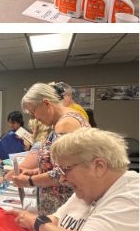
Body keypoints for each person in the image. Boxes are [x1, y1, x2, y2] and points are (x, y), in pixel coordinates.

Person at [13, 127, 138, 231]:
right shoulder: (89, 190)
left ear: (99, 166)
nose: (61, 179)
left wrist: (38, 223)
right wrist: (25, 221)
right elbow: (56, 220)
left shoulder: (133, 198)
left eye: (65, 170)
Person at [10, 82, 91, 214]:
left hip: (64, 206)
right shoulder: (66, 120)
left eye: (33, 112)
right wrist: (36, 171)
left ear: (46, 103)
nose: (33, 118)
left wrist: (29, 181)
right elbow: (62, 165)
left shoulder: (66, 125)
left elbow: (63, 173)